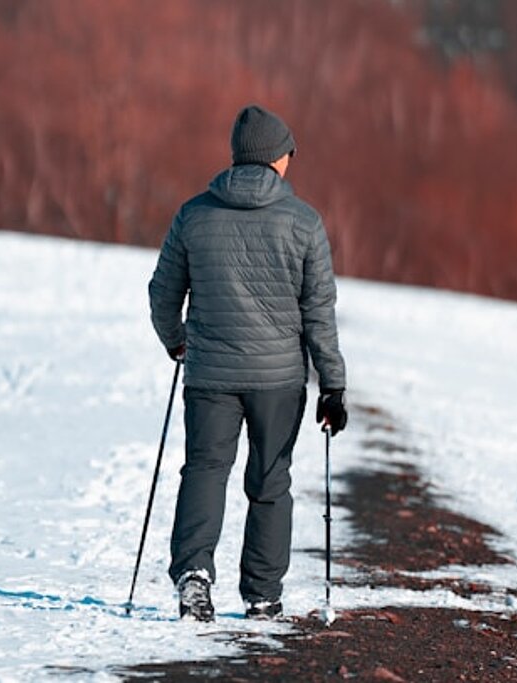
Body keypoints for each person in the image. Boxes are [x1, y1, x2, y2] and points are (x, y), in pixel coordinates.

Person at [148, 104, 348, 622]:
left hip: (209, 374)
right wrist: (333, 386)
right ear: (277, 158)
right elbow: (318, 312)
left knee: (205, 472)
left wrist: (177, 341)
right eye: (289, 154)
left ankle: (193, 575)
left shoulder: (194, 214)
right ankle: (262, 595)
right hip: (279, 381)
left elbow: (162, 293)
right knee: (270, 480)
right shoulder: (304, 223)